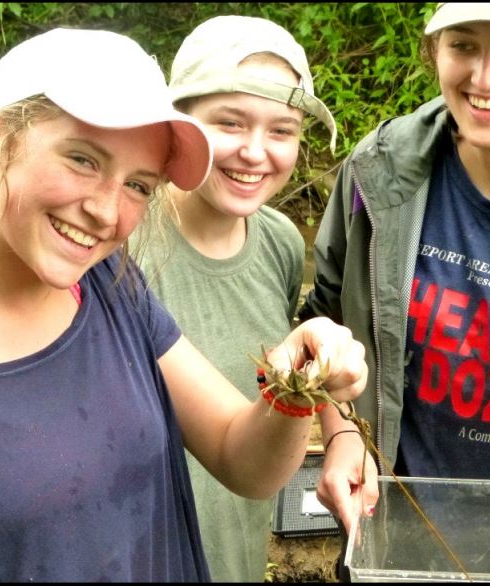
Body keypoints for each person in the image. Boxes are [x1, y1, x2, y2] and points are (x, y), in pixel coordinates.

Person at [0, 27, 368, 583]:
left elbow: (241, 460)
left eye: (139, 185)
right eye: (83, 160)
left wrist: (293, 388)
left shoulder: (109, 286)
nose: (106, 211)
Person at [300, 2, 490, 537]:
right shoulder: (376, 173)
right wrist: (341, 436)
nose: (485, 76)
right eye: (463, 45)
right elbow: (327, 320)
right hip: (392, 540)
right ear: (435, 51)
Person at [130, 15, 339, 583]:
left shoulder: (279, 241)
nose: (254, 152)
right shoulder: (119, 240)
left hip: (234, 558)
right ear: (180, 126)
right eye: (230, 123)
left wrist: (339, 427)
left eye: (282, 131)